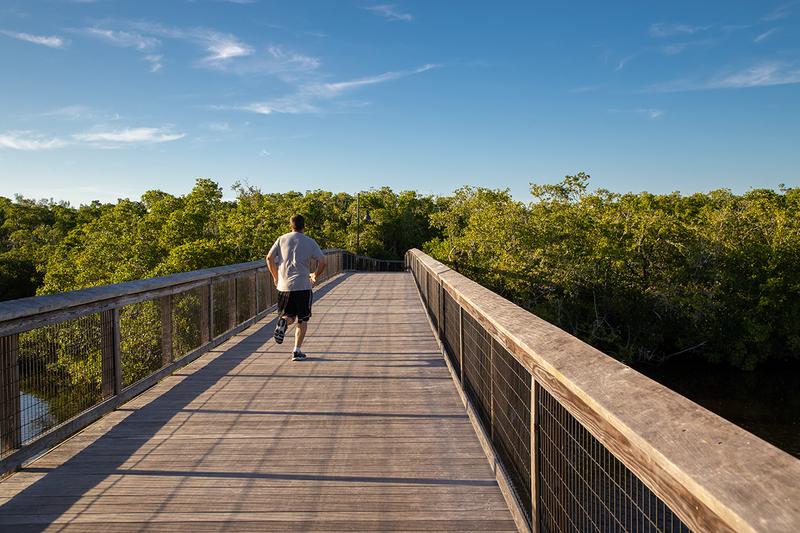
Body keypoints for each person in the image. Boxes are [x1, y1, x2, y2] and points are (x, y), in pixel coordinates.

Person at [266, 214, 327, 361]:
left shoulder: (281, 239)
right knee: (302, 319)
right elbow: (323, 261)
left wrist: (276, 277)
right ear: (303, 226)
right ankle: (296, 351)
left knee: (289, 316)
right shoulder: (310, 242)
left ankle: (283, 323)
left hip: (284, 286)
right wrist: (315, 275)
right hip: (302, 286)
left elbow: (269, 258)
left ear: (291, 225)